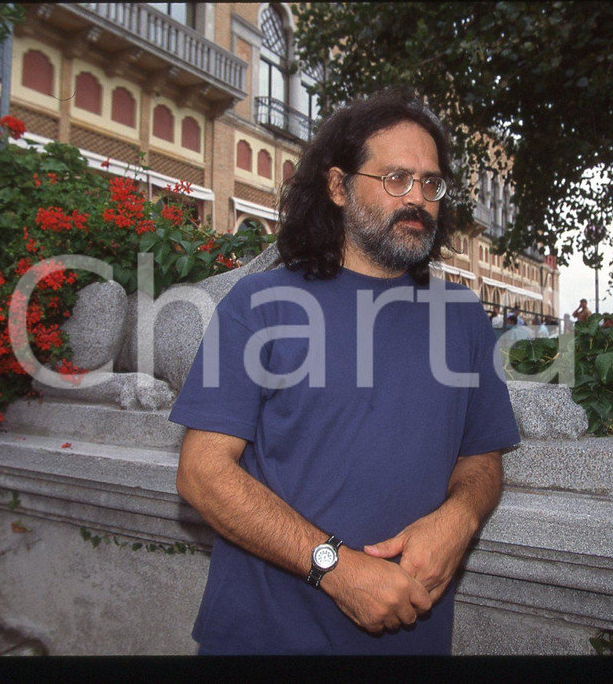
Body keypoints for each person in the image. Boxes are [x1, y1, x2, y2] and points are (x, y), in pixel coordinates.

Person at [170, 89, 521, 655]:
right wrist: (336, 569)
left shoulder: (463, 318)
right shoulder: (261, 303)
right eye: (397, 179)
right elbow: (202, 473)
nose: (419, 200)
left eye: (431, 184)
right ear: (337, 187)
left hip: (414, 640)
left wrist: (459, 519)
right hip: (263, 640)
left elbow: (482, 458)